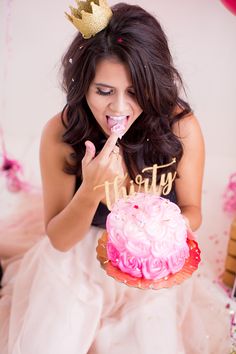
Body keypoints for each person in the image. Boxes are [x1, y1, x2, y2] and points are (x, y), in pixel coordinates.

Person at [0, 1, 231, 353]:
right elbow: (59, 239)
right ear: (83, 86)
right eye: (104, 91)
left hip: (151, 270)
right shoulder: (62, 135)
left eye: (135, 92)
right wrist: (90, 190)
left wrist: (154, 236)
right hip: (78, 259)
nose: (119, 108)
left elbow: (193, 211)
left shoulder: (180, 127)